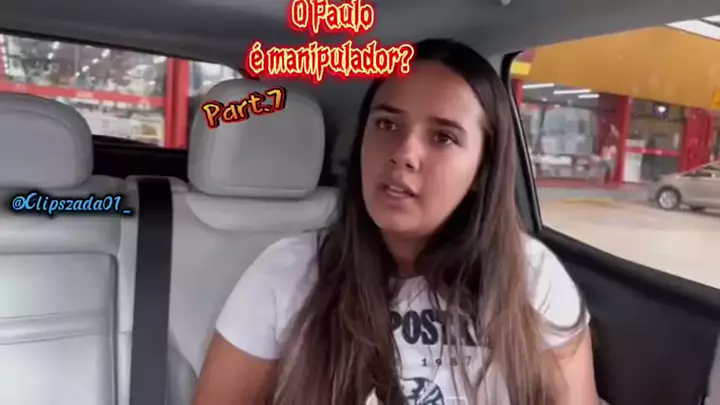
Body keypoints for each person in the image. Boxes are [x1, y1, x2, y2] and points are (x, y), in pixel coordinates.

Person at [192, 38, 598, 405]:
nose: (404, 152)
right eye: (387, 124)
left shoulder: (532, 276)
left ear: (482, 169)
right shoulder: (286, 274)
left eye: (443, 137)